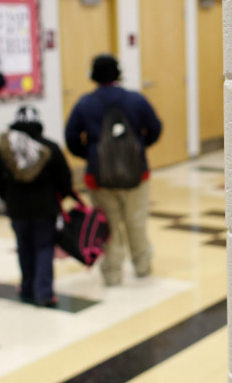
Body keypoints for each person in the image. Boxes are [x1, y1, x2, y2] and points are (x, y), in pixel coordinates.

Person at [64, 54, 162, 287]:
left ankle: (113, 273)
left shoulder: (85, 103)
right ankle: (142, 265)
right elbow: (155, 128)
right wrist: (139, 148)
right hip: (137, 174)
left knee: (108, 225)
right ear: (119, 74)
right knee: (136, 221)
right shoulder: (136, 99)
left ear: (93, 76)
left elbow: (71, 137)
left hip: (99, 177)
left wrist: (89, 154)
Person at [0, 105, 73, 307]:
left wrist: (8, 197)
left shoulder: (5, 150)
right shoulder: (50, 147)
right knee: (44, 247)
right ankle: (44, 292)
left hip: (17, 209)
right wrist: (60, 197)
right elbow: (65, 179)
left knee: (24, 247)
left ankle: (27, 286)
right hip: (45, 209)